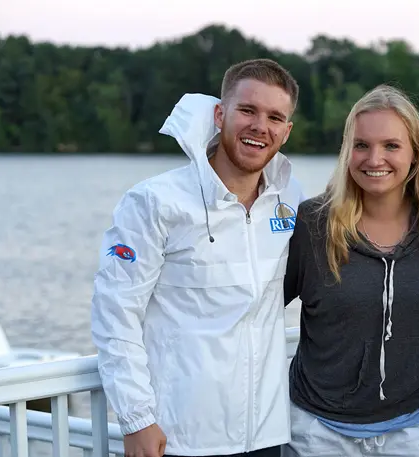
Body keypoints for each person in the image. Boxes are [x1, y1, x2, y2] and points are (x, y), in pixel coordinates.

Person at [91, 58, 305, 457]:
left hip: (266, 436)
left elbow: (356, 216)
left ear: (286, 131)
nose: (261, 126)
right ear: (220, 114)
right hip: (180, 438)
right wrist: (137, 418)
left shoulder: (291, 200)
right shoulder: (154, 201)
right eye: (247, 110)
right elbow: (115, 313)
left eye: (275, 117)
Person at [282, 84, 419, 457]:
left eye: (391, 145)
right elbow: (255, 310)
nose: (374, 158)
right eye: (362, 145)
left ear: (415, 154)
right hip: (318, 434)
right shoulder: (312, 224)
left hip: (417, 434)